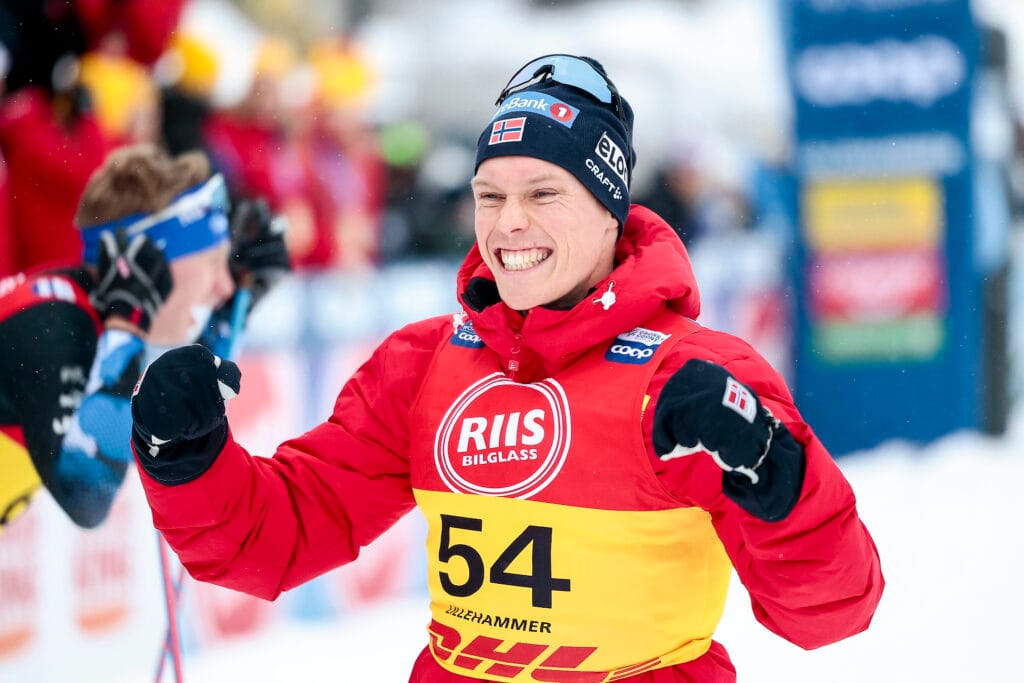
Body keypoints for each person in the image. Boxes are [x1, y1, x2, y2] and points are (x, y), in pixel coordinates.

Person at [130, 55, 884, 681]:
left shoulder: (694, 378)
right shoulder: (423, 365)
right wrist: (186, 455)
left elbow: (831, 609)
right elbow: (276, 533)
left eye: (543, 193)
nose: (508, 223)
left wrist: (768, 464)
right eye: (489, 195)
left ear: (608, 208)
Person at [0, 143, 286, 530]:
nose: (223, 285)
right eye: (212, 262)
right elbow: (86, 494)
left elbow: (159, 411)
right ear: (153, 263)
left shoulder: (90, 315)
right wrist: (130, 331)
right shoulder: (52, 324)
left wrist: (236, 309)